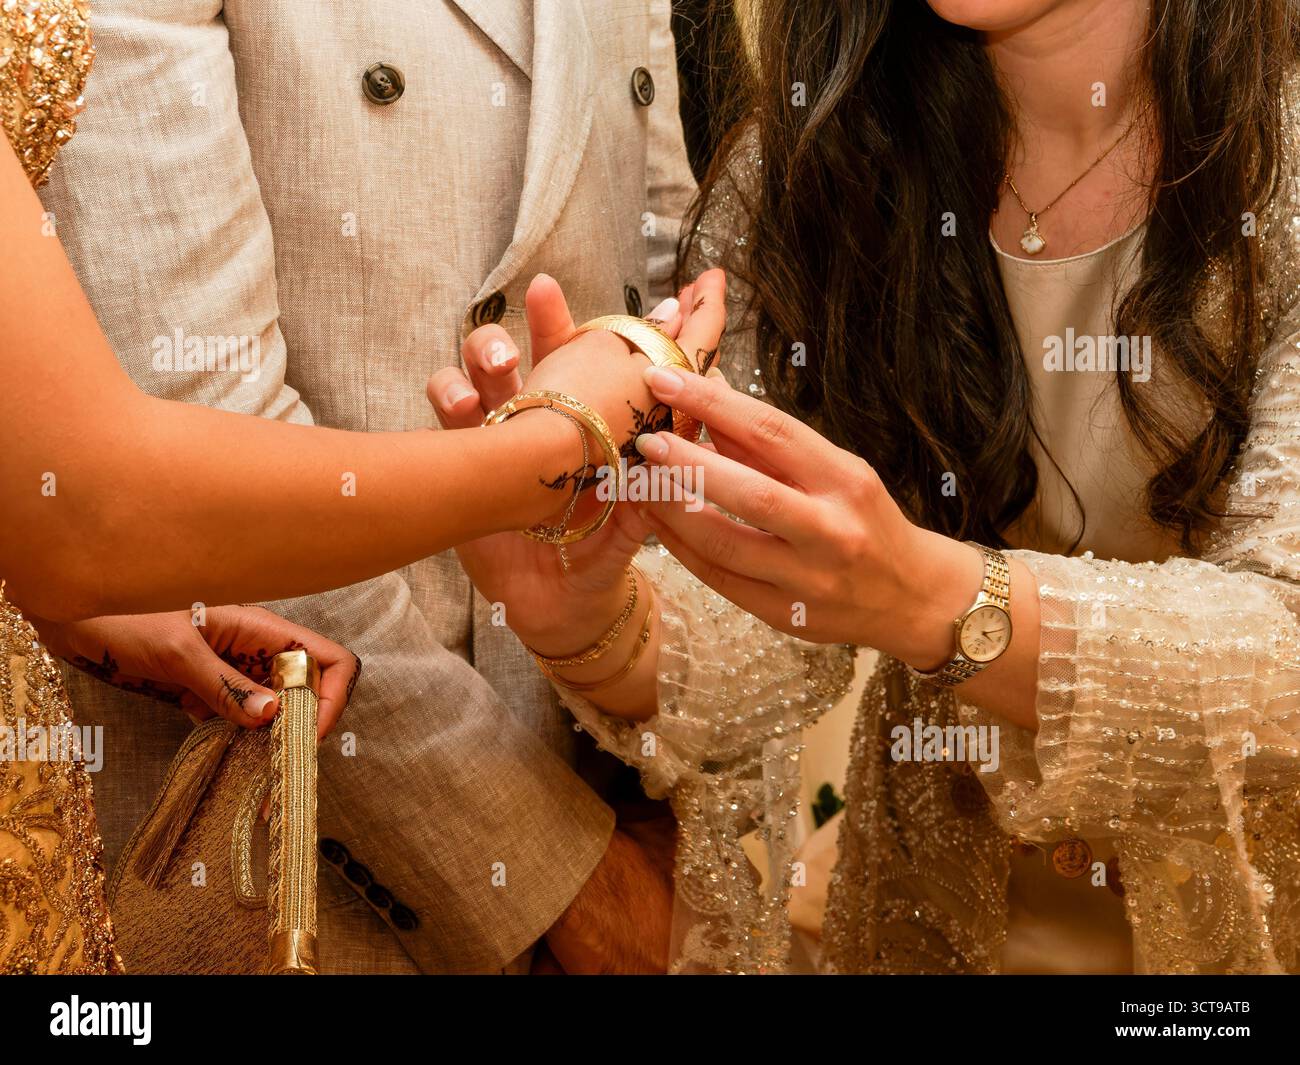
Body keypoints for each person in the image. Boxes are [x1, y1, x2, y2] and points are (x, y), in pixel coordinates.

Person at [449, 0, 1300, 974]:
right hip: (925, 934)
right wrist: (594, 619)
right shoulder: (817, 151)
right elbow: (779, 627)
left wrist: (935, 600)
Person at [3, 0, 716, 972]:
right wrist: (556, 878)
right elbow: (151, 467)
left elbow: (677, 281)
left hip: (607, 754)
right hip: (287, 847)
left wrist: (648, 711)